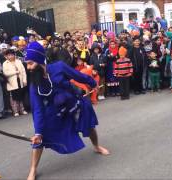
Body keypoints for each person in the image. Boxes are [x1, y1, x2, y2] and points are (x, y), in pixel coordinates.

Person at [25, 42, 109, 180]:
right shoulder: (35, 83)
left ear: (40, 61)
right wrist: (38, 132)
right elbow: (37, 109)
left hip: (72, 102)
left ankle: (97, 146)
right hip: (54, 109)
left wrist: (93, 83)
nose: (28, 68)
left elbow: (78, 76)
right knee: (40, 136)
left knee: (89, 124)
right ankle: (33, 169)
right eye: (27, 64)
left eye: (30, 63)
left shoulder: (59, 67)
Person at [3, 49, 27, 117]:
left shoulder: (19, 61)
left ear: (14, 55)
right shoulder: (5, 63)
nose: (10, 56)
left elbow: (23, 71)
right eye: (9, 55)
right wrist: (15, 72)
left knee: (21, 96)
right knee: (13, 97)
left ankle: (22, 110)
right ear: (6, 56)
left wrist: (24, 80)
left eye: (12, 55)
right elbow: (5, 73)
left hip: (20, 80)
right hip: (12, 82)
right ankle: (15, 111)